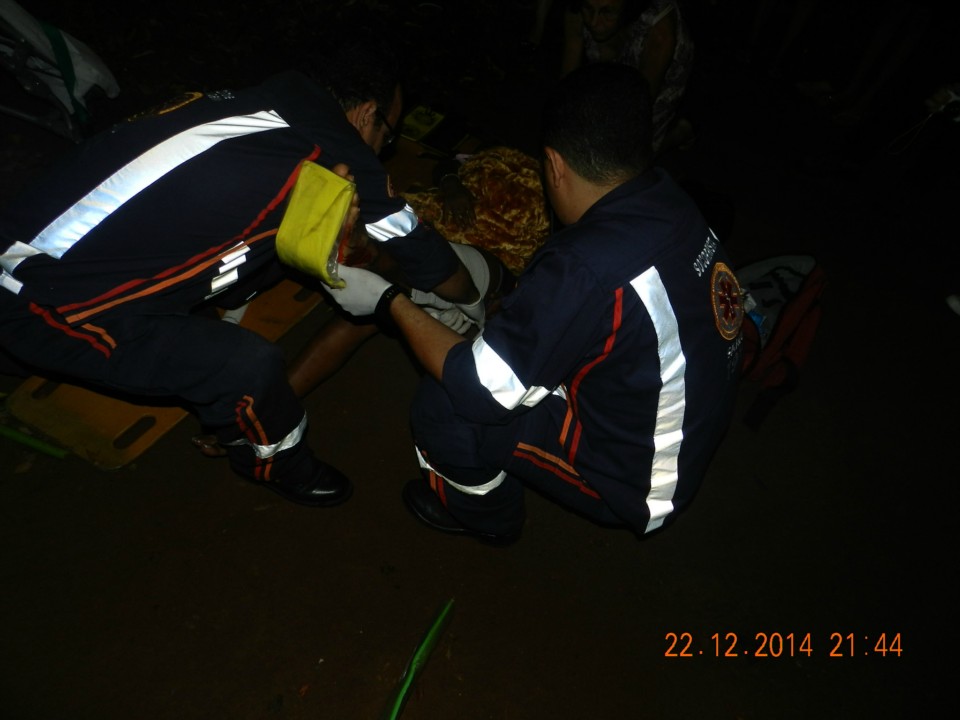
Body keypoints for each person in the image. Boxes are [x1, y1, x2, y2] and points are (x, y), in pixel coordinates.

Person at [0, 27, 486, 507]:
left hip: (27, 243)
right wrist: (474, 297)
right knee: (245, 367)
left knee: (277, 237)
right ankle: (274, 462)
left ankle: (214, 299)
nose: (383, 149)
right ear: (365, 114)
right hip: (40, 303)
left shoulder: (253, 104)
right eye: (388, 134)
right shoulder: (334, 149)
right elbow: (434, 267)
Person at [324, 63, 744, 544]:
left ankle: (491, 520)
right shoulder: (670, 200)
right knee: (510, 349)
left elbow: (478, 388)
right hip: (686, 420)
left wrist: (388, 300)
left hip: (639, 479)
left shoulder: (585, 265)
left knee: (445, 407)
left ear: (555, 165)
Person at [560, 0, 694, 153]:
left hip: (658, 76)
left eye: (607, 12)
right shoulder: (577, 10)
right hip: (611, 73)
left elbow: (639, 107)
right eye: (588, 8)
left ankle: (678, 133)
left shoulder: (659, 33)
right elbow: (566, 86)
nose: (593, 22)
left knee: (626, 154)